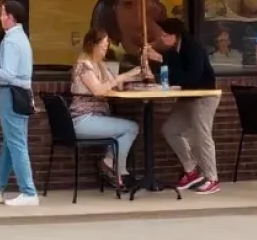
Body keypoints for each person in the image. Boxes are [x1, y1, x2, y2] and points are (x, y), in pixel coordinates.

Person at [146, 18, 221, 194]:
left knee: (202, 135)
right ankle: (191, 170)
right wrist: (157, 60)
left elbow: (191, 76)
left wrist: (161, 60)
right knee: (170, 129)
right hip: (187, 97)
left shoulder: (192, 48)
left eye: (166, 35)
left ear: (175, 35)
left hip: (204, 96)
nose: (163, 38)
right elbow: (169, 68)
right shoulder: (173, 50)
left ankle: (212, 178)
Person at [0, 0, 38, 207]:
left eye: (3, 14)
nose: (1, 17)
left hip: (11, 95)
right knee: (11, 141)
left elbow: (9, 75)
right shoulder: (21, 38)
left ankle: (29, 191)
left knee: (16, 143)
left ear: (11, 17)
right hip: (20, 94)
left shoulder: (11, 41)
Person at [70, 29, 143, 189]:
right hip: (83, 120)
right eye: (103, 45)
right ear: (93, 45)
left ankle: (112, 166)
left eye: (107, 44)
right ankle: (115, 169)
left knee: (128, 128)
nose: (106, 48)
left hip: (96, 117)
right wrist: (120, 77)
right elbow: (98, 90)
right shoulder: (84, 66)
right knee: (131, 128)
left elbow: (116, 84)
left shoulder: (100, 65)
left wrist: (134, 75)